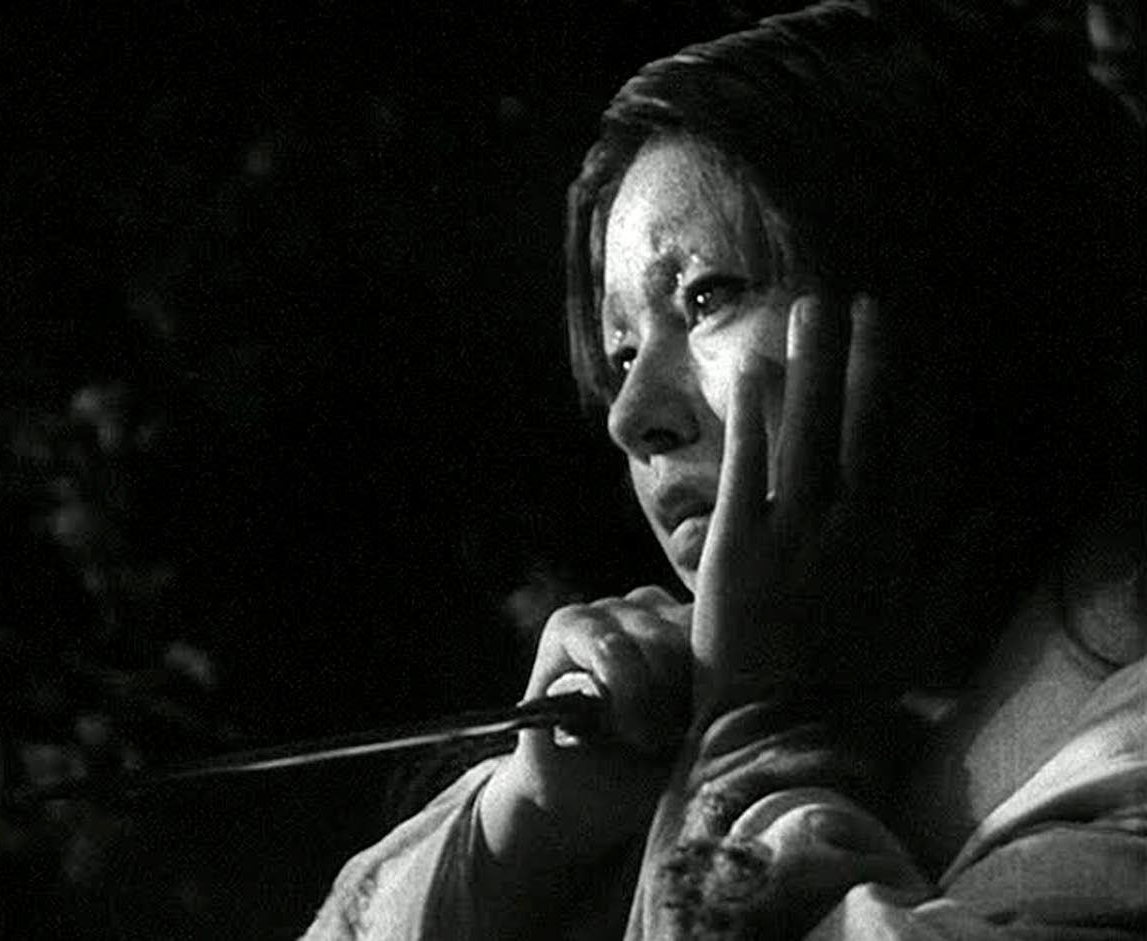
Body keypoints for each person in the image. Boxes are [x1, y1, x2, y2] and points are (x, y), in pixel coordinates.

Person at [304, 1, 1147, 937]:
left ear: (955, 297)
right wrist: (525, 830)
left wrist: (756, 733)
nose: (632, 416)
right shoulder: (621, 776)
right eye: (622, 353)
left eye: (709, 296)